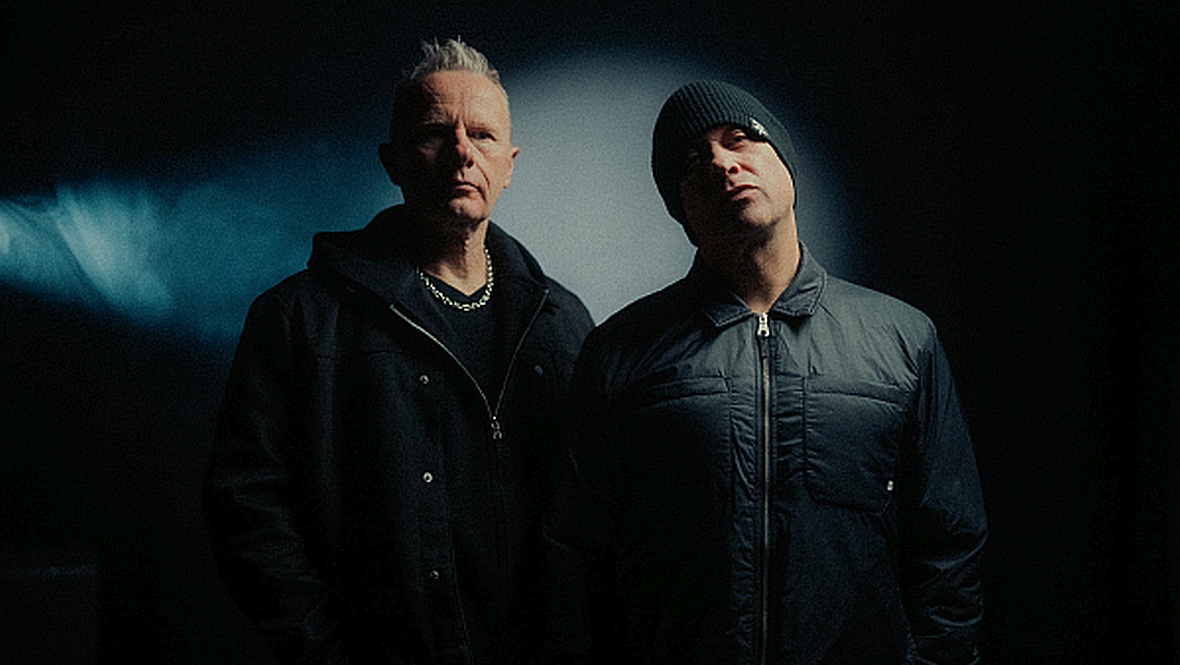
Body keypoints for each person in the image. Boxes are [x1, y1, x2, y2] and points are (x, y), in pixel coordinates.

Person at [544, 81, 987, 663]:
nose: (721, 163)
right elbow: (576, 556)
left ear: (785, 166)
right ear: (682, 208)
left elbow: (948, 545)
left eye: (739, 139)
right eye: (693, 161)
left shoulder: (903, 339)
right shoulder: (621, 353)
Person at [204, 38, 593, 664]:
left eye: (483, 135)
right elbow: (247, 510)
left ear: (510, 163)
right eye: (435, 133)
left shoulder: (563, 323)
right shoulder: (300, 319)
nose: (462, 152)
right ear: (393, 160)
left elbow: (600, 512)